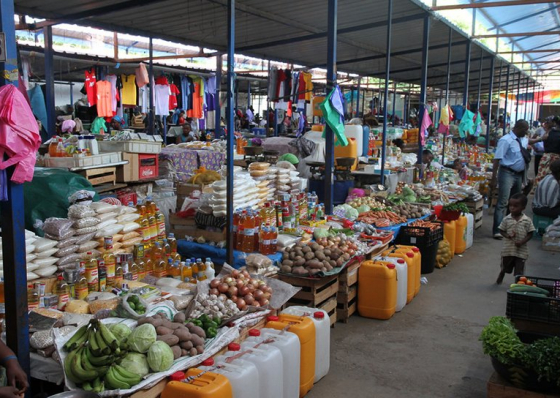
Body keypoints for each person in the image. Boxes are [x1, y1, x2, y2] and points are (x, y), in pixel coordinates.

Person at [490, 119, 530, 239]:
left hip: (519, 174)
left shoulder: (522, 139)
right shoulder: (505, 140)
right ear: (518, 128)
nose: (526, 132)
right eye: (525, 130)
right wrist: (494, 178)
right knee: (503, 201)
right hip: (507, 173)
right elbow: (497, 159)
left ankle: (509, 227)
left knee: (515, 202)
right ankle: (497, 230)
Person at [496, 193, 535, 285]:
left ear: (523, 208)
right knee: (505, 267)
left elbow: (530, 233)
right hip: (508, 249)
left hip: (521, 251)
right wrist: (508, 236)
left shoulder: (527, 220)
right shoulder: (506, 219)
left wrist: (522, 242)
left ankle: (518, 285)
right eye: (510, 205)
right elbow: (501, 230)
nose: (512, 208)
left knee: (519, 271)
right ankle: (502, 273)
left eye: (516, 206)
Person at [535, 116, 560, 187]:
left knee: (541, 176)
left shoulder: (548, 132)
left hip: (545, 158)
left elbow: (544, 143)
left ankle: (539, 192)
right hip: (557, 159)